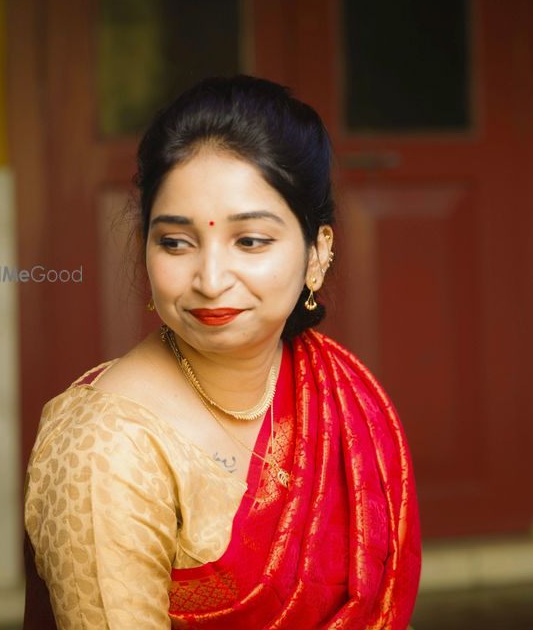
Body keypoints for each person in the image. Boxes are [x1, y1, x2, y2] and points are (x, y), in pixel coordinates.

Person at [23, 75, 422, 629]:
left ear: (317, 252)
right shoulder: (107, 446)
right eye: (176, 242)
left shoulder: (337, 395)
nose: (210, 280)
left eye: (250, 240)